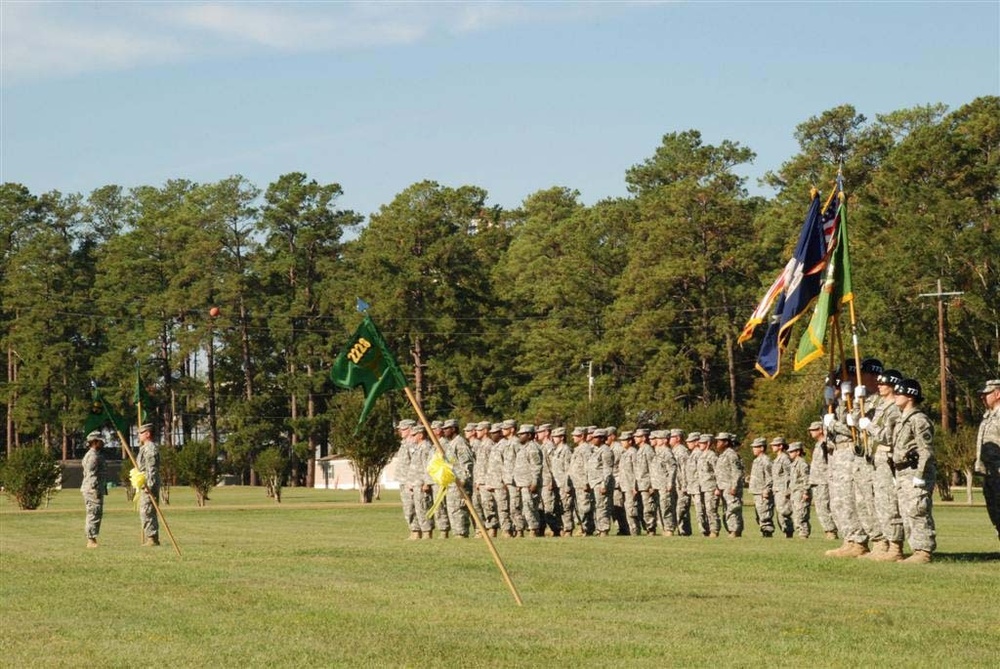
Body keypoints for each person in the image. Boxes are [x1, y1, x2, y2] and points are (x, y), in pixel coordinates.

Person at [858, 368, 905, 561]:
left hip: (886, 460)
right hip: (876, 459)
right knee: (879, 503)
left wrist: (869, 426)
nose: (879, 386)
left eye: (883, 384)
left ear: (893, 385)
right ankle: (883, 545)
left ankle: (895, 549)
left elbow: (887, 435)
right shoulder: (882, 405)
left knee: (889, 504)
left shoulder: (894, 408)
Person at [892, 378, 937, 563]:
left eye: (899, 393)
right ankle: (916, 549)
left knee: (917, 510)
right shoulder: (904, 419)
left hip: (915, 471)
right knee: (907, 511)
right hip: (903, 472)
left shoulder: (919, 420)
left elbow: (925, 451)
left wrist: (919, 476)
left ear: (910, 396)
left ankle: (923, 551)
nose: (895, 396)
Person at [975, 379, 1000, 541]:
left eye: (986, 394)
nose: (982, 398)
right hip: (990, 474)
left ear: (997, 394)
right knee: (995, 512)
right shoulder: (989, 416)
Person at [807, 421, 838, 540]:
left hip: (823, 480)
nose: (811, 432)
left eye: (813, 430)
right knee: (820, 507)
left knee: (824, 506)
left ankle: (831, 531)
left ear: (820, 430)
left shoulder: (825, 444)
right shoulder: (818, 445)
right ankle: (829, 530)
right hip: (817, 480)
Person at [714, 433, 744, 538]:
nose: (717, 443)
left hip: (730, 487)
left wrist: (734, 487)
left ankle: (734, 531)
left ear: (726, 442)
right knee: (727, 509)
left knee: (733, 509)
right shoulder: (723, 455)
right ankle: (732, 530)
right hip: (723, 487)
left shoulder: (731, 454)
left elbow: (737, 472)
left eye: (720, 441)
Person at [81, 430, 107, 548]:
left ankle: (92, 538)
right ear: (94, 442)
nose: (102, 443)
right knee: (93, 513)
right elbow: (91, 475)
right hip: (93, 489)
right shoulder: (93, 457)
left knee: (96, 513)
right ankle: (91, 540)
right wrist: (95, 489)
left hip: (95, 487)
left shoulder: (96, 454)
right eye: (100, 441)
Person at [136, 423, 161, 546]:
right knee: (146, 510)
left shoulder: (150, 448)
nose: (138, 435)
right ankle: (151, 537)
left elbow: (151, 468)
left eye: (141, 433)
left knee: (147, 510)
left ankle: (152, 538)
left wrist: (149, 485)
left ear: (148, 434)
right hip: (144, 482)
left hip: (149, 483)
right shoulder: (144, 448)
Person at [748, 437, 774, 537]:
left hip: (763, 492)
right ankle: (764, 532)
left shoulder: (766, 461)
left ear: (762, 448)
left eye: (756, 447)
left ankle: (768, 534)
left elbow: (770, 477)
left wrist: (767, 489)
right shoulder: (757, 461)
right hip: (756, 492)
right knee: (759, 515)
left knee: (765, 514)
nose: (753, 449)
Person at [770, 436, 793, 538]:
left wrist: (788, 490)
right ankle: (786, 533)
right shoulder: (777, 459)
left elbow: (790, 474)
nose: (772, 447)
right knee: (780, 513)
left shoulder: (785, 458)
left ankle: (788, 533)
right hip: (777, 490)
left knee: (784, 512)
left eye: (775, 445)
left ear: (780, 446)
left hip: (783, 490)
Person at [787, 441, 811, 539]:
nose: (790, 453)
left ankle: (804, 533)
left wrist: (806, 492)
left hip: (801, 492)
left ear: (798, 452)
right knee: (796, 514)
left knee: (801, 514)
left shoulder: (802, 463)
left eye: (792, 451)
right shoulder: (794, 464)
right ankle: (801, 533)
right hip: (795, 492)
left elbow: (807, 478)